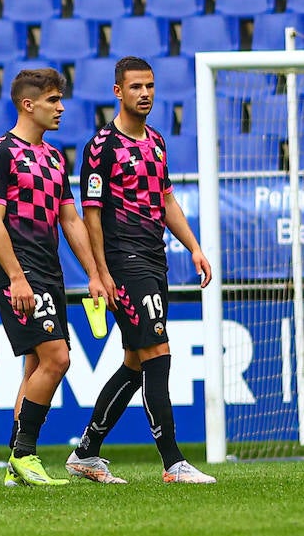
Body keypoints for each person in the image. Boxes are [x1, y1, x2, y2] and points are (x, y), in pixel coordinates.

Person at [67, 57, 217, 484]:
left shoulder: (156, 142)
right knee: (158, 353)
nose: (145, 93)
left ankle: (85, 453)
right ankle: (173, 463)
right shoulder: (102, 147)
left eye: (149, 85)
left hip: (155, 257)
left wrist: (194, 247)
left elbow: (166, 200)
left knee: (135, 362)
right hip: (123, 262)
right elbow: (91, 214)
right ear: (119, 91)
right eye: (135, 87)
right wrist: (99, 272)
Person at [0, 68, 110, 487]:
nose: (62, 107)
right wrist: (17, 278)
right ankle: (25, 454)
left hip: (49, 270)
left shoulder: (54, 157)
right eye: (53, 100)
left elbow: (70, 218)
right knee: (59, 358)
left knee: (36, 365)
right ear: (27, 104)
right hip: (20, 270)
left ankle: (16, 468)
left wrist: (94, 273)